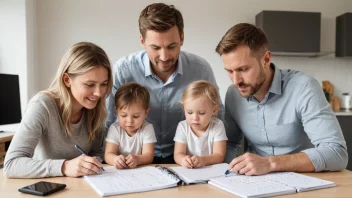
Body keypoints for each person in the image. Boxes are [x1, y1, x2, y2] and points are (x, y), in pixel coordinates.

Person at [215, 23, 348, 175]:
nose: (235, 80)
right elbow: (231, 143)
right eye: (229, 71)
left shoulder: (303, 88)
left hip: (305, 178)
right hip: (255, 181)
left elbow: (337, 153)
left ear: (266, 59)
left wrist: (270, 163)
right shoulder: (233, 94)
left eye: (243, 69)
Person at [105, 3, 223, 164]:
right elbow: (106, 120)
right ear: (142, 41)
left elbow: (218, 117)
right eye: (155, 47)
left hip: (184, 160)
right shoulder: (123, 70)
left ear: (182, 38)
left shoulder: (200, 70)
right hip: (134, 160)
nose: (164, 56)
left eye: (171, 46)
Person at [4, 42, 113, 178]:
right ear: (67, 80)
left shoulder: (95, 107)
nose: (98, 93)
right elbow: (11, 164)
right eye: (90, 84)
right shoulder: (42, 105)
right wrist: (65, 166)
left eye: (103, 84)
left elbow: (96, 152)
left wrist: (93, 162)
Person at [174, 80, 227, 168]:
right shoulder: (183, 126)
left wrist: (203, 160)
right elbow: (178, 154)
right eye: (190, 112)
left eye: (201, 113)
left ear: (214, 110)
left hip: (211, 171)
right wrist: (183, 160)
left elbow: (219, 155)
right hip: (189, 171)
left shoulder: (217, 126)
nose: (195, 118)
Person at [104, 82, 157, 169]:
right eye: (124, 115)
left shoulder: (147, 128)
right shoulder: (115, 129)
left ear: (146, 113)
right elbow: (108, 155)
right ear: (116, 112)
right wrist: (115, 159)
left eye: (136, 116)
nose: (129, 121)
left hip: (139, 171)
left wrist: (138, 159)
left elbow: (149, 156)